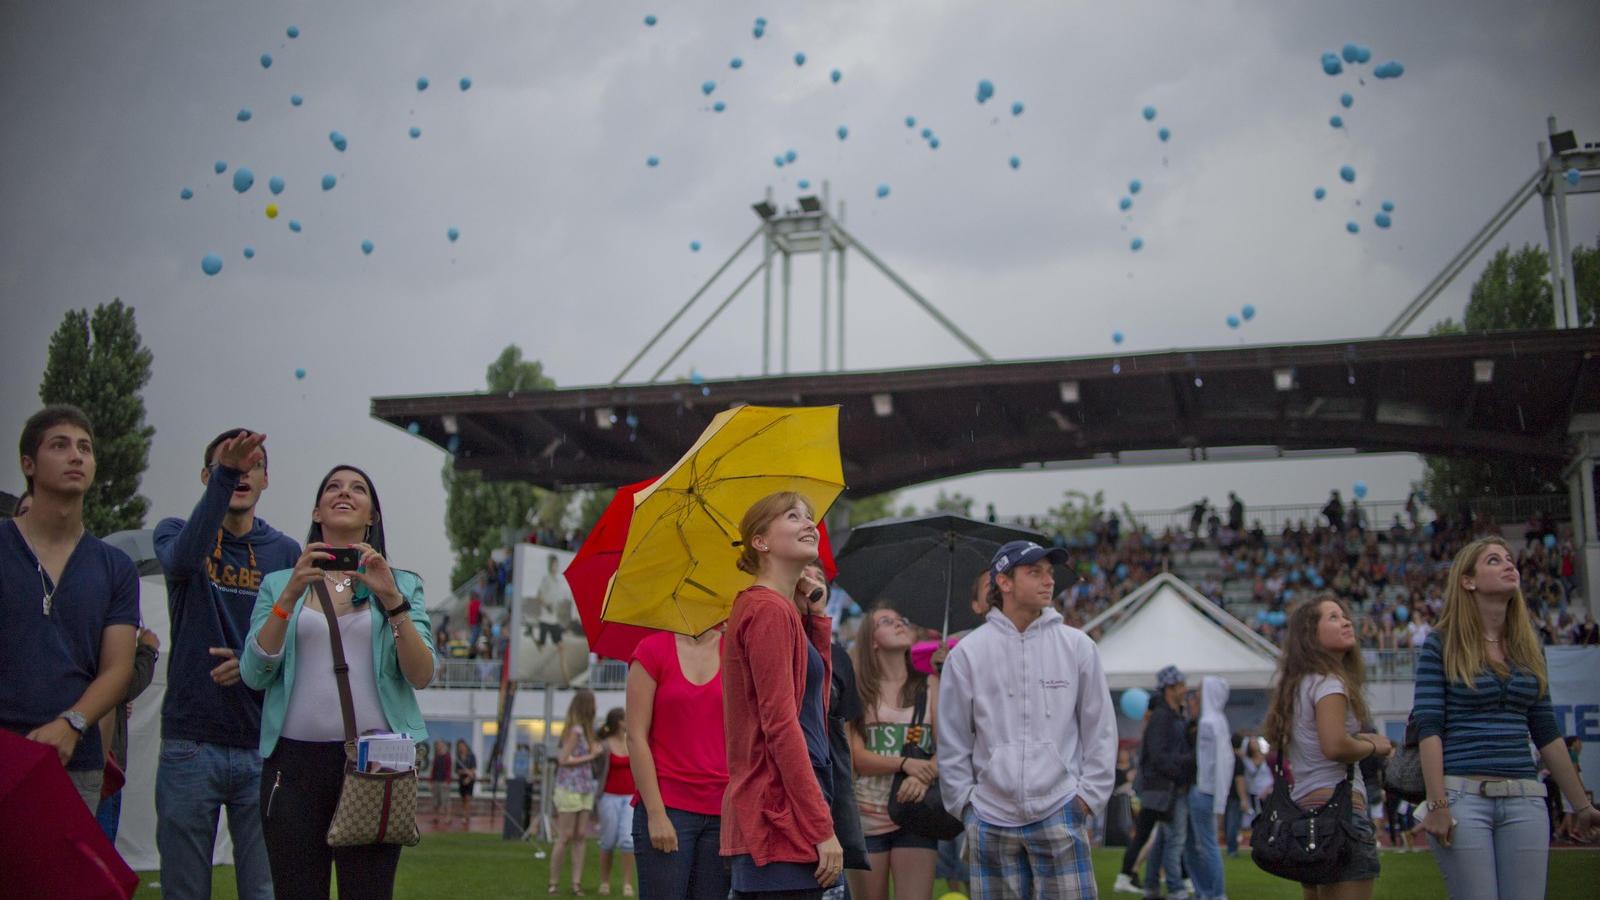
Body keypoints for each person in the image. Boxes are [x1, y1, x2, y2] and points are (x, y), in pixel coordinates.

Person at [240, 464, 436, 900]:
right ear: (316, 511)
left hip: (377, 763)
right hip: (292, 766)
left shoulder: (402, 584)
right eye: (333, 487)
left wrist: (392, 601)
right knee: (296, 890)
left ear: (372, 517)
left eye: (358, 489)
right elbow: (255, 673)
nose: (344, 493)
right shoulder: (278, 584)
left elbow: (421, 674)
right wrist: (289, 597)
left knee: (368, 892)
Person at [153, 429, 301, 900]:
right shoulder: (175, 532)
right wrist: (223, 481)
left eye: (251, 465)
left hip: (261, 746)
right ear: (207, 476)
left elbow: (298, 644)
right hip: (190, 745)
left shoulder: (285, 553)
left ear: (266, 480)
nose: (241, 473)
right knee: (184, 890)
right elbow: (184, 559)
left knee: (261, 890)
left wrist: (252, 663)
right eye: (228, 466)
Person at [1413, 538, 1599, 898]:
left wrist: (1583, 806)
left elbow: (1546, 731)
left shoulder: (1529, 645)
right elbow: (1429, 727)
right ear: (1468, 581)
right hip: (1462, 800)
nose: (1509, 565)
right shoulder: (1441, 642)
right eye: (1494, 560)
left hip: (1526, 799)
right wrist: (1437, 805)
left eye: (1510, 560)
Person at [940, 540, 1118, 899]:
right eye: (1034, 572)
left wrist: (1087, 798)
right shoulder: (969, 654)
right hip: (989, 816)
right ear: (1003, 582)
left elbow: (1101, 730)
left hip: (1060, 808)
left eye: (1049, 573)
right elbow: (952, 738)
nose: (1048, 581)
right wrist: (966, 804)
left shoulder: (1078, 646)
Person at [0, 405, 138, 809]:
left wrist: (71, 724)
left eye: (85, 448)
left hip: (75, 762)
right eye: (60, 446)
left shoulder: (115, 566)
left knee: (57, 875)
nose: (76, 456)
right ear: (29, 463)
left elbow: (118, 669)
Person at [721, 492, 843, 897]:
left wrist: (817, 618)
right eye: (794, 516)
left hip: (787, 811)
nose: (810, 524)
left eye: (809, 517)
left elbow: (814, 711)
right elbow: (781, 726)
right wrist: (820, 825)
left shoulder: (781, 609)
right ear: (761, 541)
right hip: (780, 816)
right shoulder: (767, 610)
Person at [1261, 596, 1392, 899]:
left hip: (1305, 813)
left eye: (1345, 615)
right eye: (1333, 617)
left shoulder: (1295, 685)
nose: (1347, 621)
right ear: (1311, 633)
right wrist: (1373, 746)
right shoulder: (1329, 683)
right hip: (1341, 814)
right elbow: (1334, 746)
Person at [627, 624, 730, 899]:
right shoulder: (651, 650)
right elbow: (636, 737)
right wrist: (656, 814)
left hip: (723, 812)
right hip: (668, 809)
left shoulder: (735, 651)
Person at [849, 605, 940, 899]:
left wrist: (925, 775)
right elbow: (856, 757)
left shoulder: (930, 685)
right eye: (887, 622)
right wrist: (905, 764)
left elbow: (950, 749)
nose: (899, 624)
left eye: (901, 620)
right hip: (866, 817)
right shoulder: (859, 691)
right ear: (872, 640)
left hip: (916, 814)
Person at [1117, 666, 1192, 899]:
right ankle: (1177, 885)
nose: (1184, 690)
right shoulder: (1163, 717)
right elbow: (1159, 755)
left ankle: (1150, 884)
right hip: (1162, 787)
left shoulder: (1170, 715)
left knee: (1159, 838)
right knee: (1171, 839)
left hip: (1160, 787)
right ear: (1170, 689)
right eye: (1180, 686)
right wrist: (1182, 770)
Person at [96, 624, 161, 841]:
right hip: (101, 760)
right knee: (101, 848)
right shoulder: (97, 631)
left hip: (107, 759)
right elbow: (122, 683)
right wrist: (148, 650)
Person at [550, 689, 602, 895]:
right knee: (565, 836)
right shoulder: (576, 731)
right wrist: (591, 756)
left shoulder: (588, 731)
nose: (597, 706)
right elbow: (563, 759)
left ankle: (576, 883)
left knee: (581, 835)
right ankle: (554, 882)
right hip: (570, 787)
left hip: (584, 787)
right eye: (594, 702)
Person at [1186, 678, 1231, 898]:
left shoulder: (1209, 724)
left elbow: (1220, 763)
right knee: (1200, 845)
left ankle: (1213, 893)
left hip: (1203, 790)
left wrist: (1219, 803)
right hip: (1207, 791)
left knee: (1205, 845)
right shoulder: (1218, 721)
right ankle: (1207, 892)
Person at [595, 707, 636, 897]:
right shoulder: (604, 745)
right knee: (608, 840)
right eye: (626, 718)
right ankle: (604, 882)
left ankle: (627, 883)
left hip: (630, 797)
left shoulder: (633, 742)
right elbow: (596, 771)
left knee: (628, 840)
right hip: (609, 796)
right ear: (619, 722)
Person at [455, 739, 478, 826]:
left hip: (470, 780)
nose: (461, 748)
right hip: (461, 780)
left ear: (466, 746)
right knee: (463, 798)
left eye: (463, 746)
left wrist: (468, 778)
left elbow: (473, 769)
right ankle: (465, 813)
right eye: (460, 746)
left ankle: (465, 815)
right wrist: (465, 771)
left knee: (468, 798)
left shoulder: (471, 756)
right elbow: (457, 770)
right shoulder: (458, 758)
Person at [429, 738, 453, 820]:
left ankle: (448, 817)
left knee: (445, 800)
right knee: (435, 801)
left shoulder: (447, 756)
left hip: (444, 782)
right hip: (436, 781)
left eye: (440, 745)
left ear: (443, 746)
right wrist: (431, 782)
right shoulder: (436, 756)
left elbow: (449, 770)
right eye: (437, 745)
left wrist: (447, 781)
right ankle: (436, 817)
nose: (438, 747)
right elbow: (433, 770)